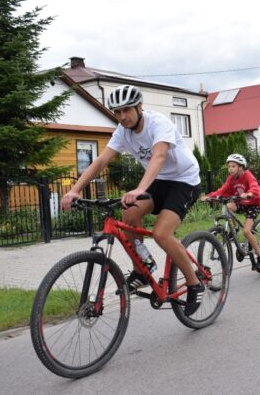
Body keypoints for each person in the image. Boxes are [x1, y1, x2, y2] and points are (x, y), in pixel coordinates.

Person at [60, 85, 204, 315]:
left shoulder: (159, 124)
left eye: (126, 110)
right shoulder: (122, 131)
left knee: (161, 234)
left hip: (184, 180)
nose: (122, 117)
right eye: (117, 112)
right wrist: (75, 190)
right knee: (128, 215)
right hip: (159, 180)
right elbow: (100, 161)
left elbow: (158, 157)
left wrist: (139, 189)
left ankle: (195, 284)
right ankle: (142, 269)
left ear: (139, 107)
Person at [202, 154, 260, 268]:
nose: (230, 168)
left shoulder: (247, 175)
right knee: (228, 205)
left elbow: (254, 186)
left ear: (240, 167)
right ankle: (235, 228)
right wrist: (210, 197)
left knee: (246, 231)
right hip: (242, 204)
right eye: (229, 166)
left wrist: (249, 193)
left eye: (233, 166)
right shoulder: (231, 178)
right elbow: (223, 190)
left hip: (253, 205)